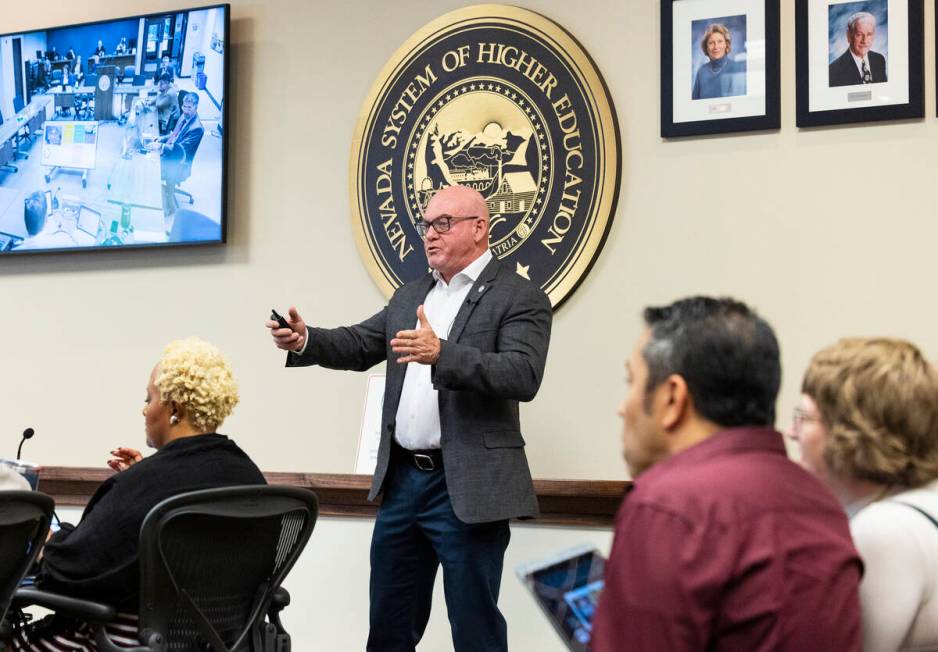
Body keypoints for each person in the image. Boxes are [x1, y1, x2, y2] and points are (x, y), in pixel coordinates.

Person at [266, 184, 552, 652]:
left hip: (467, 487)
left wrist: (444, 353)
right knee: (389, 629)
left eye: (444, 223)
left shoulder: (518, 296)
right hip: (403, 484)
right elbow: (361, 344)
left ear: (479, 229)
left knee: (475, 630)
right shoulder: (411, 295)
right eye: (426, 225)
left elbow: (523, 374)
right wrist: (305, 341)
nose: (430, 235)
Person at [592, 296, 862, 651]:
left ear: (673, 398)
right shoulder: (820, 501)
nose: (622, 408)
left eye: (632, 382)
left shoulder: (666, 507)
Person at [9, 338, 265, 650]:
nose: (144, 410)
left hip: (122, 641)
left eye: (149, 398)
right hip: (212, 642)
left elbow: (71, 572)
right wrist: (142, 481)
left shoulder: (151, 485)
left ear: (173, 408)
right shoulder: (247, 475)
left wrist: (45, 541)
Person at [791, 338, 938, 650]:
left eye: (804, 417)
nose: (792, 432)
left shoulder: (884, 530)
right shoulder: (923, 506)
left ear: (851, 431)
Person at [149, 92, 204, 215]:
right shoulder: (185, 116)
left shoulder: (197, 128)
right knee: (148, 152)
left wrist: (161, 147)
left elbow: (180, 150)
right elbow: (175, 135)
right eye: (184, 106)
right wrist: (161, 139)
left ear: (196, 107)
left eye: (189, 108)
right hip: (171, 151)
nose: (186, 110)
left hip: (178, 163)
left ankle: (168, 206)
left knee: (150, 165)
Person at [829, 12, 887, 87]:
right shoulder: (833, 71)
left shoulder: (879, 60)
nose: (865, 41)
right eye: (859, 35)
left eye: (869, 34)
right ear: (849, 36)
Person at [692, 23, 746, 100]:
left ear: (726, 44)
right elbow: (693, 105)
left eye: (720, 41)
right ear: (706, 47)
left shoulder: (737, 68)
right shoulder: (702, 71)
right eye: (711, 43)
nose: (716, 46)